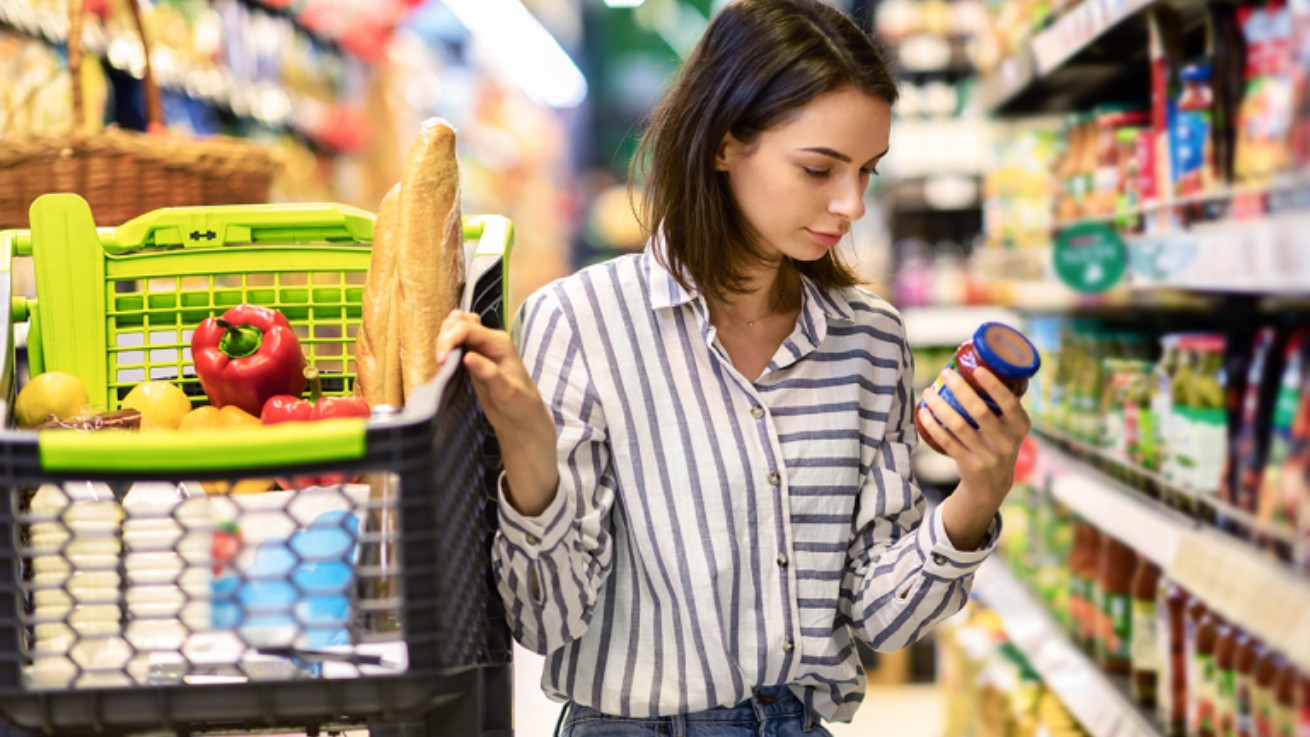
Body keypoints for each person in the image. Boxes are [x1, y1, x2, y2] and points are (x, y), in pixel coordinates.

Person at [435, 0, 1031, 734]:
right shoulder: (581, 321)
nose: (850, 204)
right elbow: (546, 618)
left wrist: (978, 494)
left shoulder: (870, 340)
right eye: (819, 168)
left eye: (868, 171)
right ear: (723, 143)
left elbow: (882, 616)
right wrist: (530, 456)